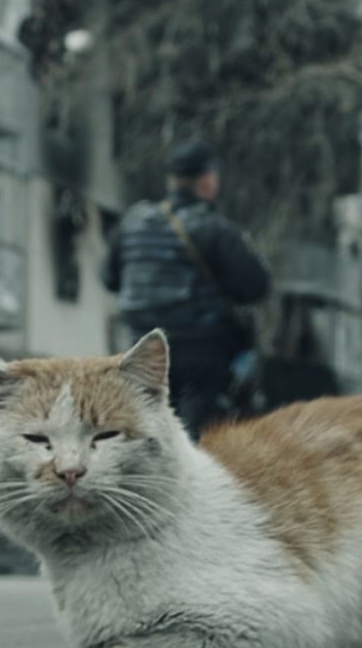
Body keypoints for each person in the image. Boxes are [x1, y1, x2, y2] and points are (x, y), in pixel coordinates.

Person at [101, 139, 272, 436]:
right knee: (195, 443)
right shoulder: (215, 229)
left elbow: (109, 278)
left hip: (142, 352)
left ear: (173, 180)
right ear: (207, 181)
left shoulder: (133, 223)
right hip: (201, 355)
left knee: (147, 437)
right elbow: (256, 287)